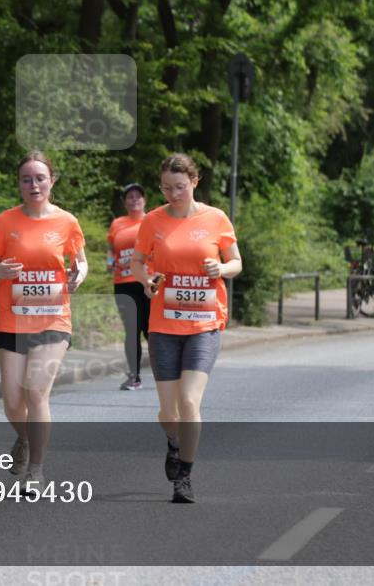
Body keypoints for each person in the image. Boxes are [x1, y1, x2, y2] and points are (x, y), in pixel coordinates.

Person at [130, 153, 242, 503]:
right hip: (164, 325)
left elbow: (236, 262)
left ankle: (185, 477)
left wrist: (219, 270)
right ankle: (174, 442)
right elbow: (137, 263)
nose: (173, 194)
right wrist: (148, 280)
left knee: (190, 401)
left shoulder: (215, 218)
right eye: (166, 188)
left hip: (204, 324)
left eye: (179, 187)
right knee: (168, 412)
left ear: (194, 182)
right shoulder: (152, 221)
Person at [0, 151, 87, 490]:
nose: (34, 185)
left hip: (52, 319)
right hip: (10, 319)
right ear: (19, 184)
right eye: (26, 179)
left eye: (40, 178)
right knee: (13, 402)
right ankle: (26, 440)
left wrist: (79, 275)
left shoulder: (67, 222)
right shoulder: (5, 222)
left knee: (35, 393)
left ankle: (36, 472)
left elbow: (81, 262)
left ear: (51, 181)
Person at [106, 183, 151, 391]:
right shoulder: (117, 224)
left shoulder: (152, 221)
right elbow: (110, 248)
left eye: (138, 196)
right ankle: (134, 377)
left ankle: (166, 373)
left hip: (147, 282)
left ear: (144, 201)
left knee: (153, 331)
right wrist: (109, 261)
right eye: (130, 197)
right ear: (125, 202)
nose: (134, 200)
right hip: (123, 284)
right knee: (132, 331)